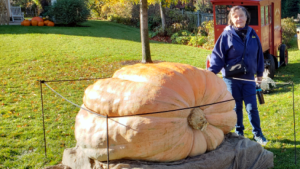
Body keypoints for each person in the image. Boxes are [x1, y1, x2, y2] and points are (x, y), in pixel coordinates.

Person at [208, 6, 268, 146]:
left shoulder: (253, 34)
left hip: (248, 78)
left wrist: (259, 74)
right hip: (231, 79)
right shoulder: (226, 35)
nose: (238, 19)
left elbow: (259, 56)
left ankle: (258, 134)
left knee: (252, 107)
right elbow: (218, 56)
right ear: (231, 19)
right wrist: (211, 73)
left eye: (241, 15)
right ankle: (239, 133)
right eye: (235, 16)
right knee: (236, 108)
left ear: (246, 17)